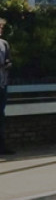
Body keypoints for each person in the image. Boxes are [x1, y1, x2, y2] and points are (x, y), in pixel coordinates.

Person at [0, 18, 13, 155]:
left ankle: (2, 146)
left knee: (1, 115)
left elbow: (9, 60)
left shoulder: (4, 44)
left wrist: (8, 64)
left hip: (2, 84)